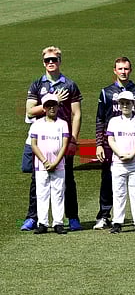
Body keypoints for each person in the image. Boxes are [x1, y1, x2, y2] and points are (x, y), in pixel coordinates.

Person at [22, 46, 83, 232]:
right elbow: (30, 111)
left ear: (59, 61)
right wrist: (52, 100)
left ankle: (72, 217)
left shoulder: (70, 84)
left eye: (54, 60)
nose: (50, 63)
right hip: (41, 138)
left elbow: (77, 114)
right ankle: (33, 217)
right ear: (43, 62)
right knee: (37, 179)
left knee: (68, 178)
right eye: (47, 60)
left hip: (62, 137)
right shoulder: (36, 84)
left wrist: (73, 139)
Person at [94, 56, 135, 230]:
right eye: (120, 69)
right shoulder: (106, 92)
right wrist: (99, 143)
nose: (123, 72)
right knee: (107, 180)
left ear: (130, 70)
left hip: (134, 141)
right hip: (110, 142)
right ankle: (105, 215)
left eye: (126, 69)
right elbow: (100, 119)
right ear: (115, 70)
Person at [106, 90, 135, 234]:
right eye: (122, 103)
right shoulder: (113, 121)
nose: (125, 106)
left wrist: (131, 154)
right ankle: (117, 222)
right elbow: (111, 140)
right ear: (119, 105)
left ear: (133, 104)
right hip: (118, 163)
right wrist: (120, 154)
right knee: (118, 193)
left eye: (127, 103)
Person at [29, 94, 70, 235]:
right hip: (41, 165)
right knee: (42, 194)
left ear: (58, 106)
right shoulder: (37, 124)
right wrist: (45, 161)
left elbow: (64, 145)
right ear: (44, 108)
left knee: (58, 193)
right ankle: (43, 223)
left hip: (58, 164)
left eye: (54, 105)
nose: (52, 108)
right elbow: (34, 145)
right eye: (48, 105)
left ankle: (58, 223)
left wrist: (56, 162)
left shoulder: (63, 124)